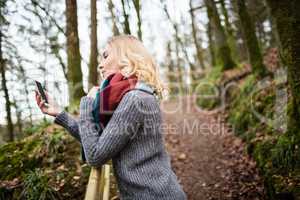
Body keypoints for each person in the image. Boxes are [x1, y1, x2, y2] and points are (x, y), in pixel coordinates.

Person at [35, 35, 187, 200]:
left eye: (106, 55)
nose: (100, 64)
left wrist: (87, 103)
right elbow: (101, 140)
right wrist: (59, 113)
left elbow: (95, 155)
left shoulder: (134, 99)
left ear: (126, 56)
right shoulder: (134, 94)